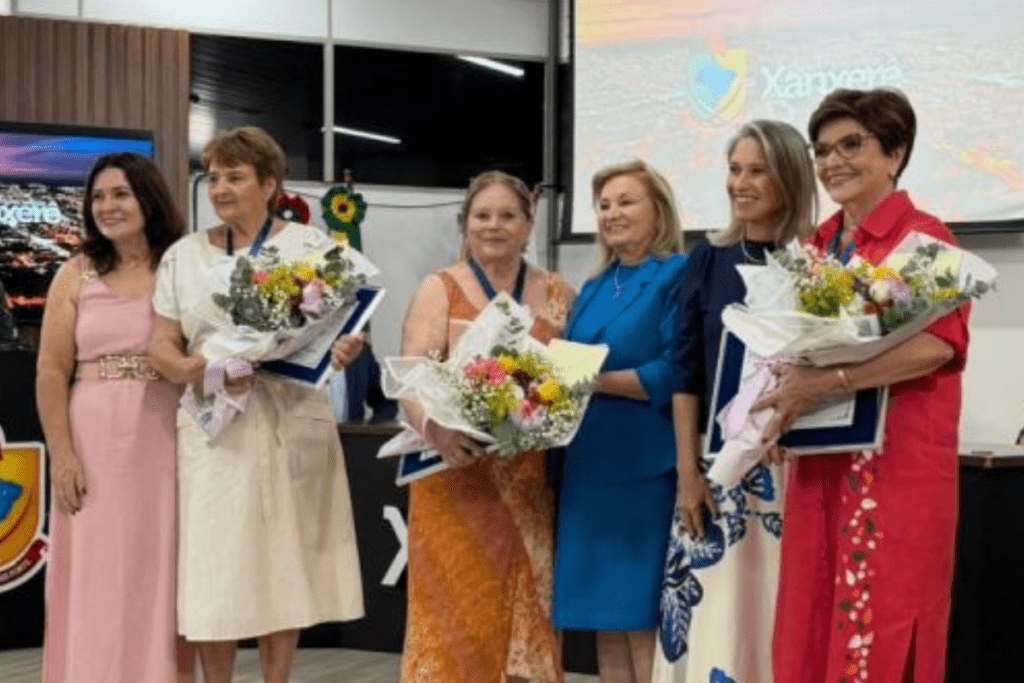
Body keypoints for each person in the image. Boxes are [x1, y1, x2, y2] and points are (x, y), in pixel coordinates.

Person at [760, 89, 970, 683]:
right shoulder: (815, 248)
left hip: (896, 470)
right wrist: (776, 409)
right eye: (823, 150)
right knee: (808, 618)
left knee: (882, 624)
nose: (832, 162)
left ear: (895, 153)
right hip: (819, 467)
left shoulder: (928, 239)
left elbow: (936, 345)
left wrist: (830, 381)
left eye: (852, 145)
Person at [148, 126, 364, 683]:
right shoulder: (183, 256)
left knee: (281, 564)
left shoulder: (313, 250)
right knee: (215, 570)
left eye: (235, 177)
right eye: (214, 176)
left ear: (269, 184)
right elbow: (160, 347)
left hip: (290, 418)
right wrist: (205, 370)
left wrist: (345, 346)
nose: (220, 188)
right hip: (213, 425)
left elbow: (344, 329)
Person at [398, 170, 573, 683]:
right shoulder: (439, 288)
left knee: (527, 619)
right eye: (482, 215)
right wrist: (437, 431)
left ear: (528, 223)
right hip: (454, 478)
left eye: (507, 215)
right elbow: (409, 380)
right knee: (455, 621)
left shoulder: (559, 293)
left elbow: (569, 381)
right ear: (466, 223)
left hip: (528, 484)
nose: (493, 226)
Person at [661, 120, 817, 683]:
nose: (740, 183)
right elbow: (686, 372)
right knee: (717, 620)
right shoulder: (708, 259)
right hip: (715, 474)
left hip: (794, 474)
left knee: (780, 618)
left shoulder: (819, 262)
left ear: (791, 177)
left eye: (757, 170)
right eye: (734, 169)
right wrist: (687, 473)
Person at [36, 152, 195, 683]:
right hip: (92, 438)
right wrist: (62, 457)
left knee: (160, 570)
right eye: (98, 197)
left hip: (166, 434)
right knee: (95, 573)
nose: (108, 206)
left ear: (148, 198)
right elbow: (52, 371)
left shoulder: (182, 266)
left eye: (120, 193)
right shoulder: (75, 272)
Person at [552, 160, 686, 683]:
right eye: (604, 205)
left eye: (626, 202)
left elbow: (676, 369)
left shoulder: (676, 274)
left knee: (642, 621)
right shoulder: (594, 284)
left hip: (643, 471)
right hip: (586, 469)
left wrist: (589, 380)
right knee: (603, 621)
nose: (612, 213)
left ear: (659, 210)